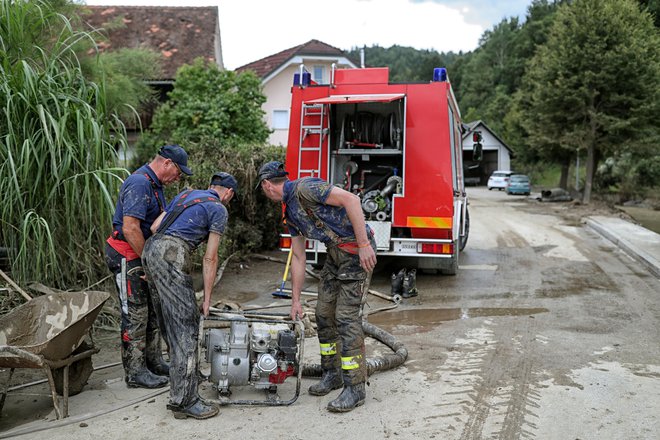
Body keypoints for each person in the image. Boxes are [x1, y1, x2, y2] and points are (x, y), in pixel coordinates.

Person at [256, 161, 377, 413]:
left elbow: (352, 200)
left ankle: (355, 388)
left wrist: (364, 244)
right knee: (323, 314)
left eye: (262, 189)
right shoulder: (290, 212)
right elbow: (298, 257)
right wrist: (296, 301)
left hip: (356, 252)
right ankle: (331, 373)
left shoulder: (305, 187)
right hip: (335, 256)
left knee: (346, 318)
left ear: (267, 185)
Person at [142, 172, 237, 420]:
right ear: (229, 193)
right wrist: (207, 298)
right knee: (186, 325)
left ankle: (183, 381)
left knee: (169, 324)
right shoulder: (218, 209)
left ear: (210, 186)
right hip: (172, 254)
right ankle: (184, 400)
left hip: (150, 249)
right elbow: (210, 257)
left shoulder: (185, 195)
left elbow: (154, 227)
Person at [105, 144, 192, 389]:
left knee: (153, 311)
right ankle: (135, 371)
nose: (178, 177)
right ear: (166, 163)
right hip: (127, 254)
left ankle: (153, 361)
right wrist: (148, 261)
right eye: (178, 171)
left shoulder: (155, 186)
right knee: (135, 314)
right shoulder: (139, 183)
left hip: (140, 255)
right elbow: (130, 227)